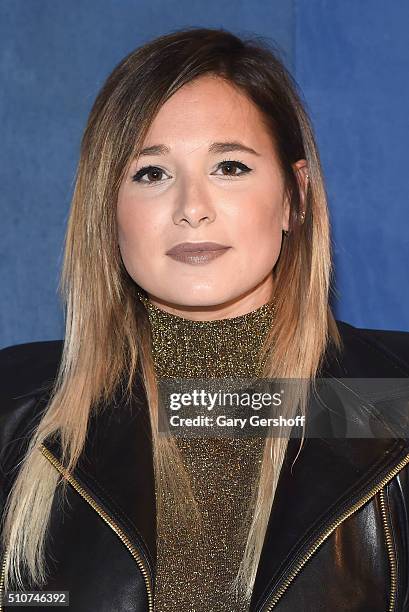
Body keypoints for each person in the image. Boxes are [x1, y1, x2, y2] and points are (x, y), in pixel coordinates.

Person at [1, 27, 409, 612]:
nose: (192, 208)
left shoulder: (391, 398)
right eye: (151, 174)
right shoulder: (16, 408)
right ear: (107, 212)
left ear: (295, 196)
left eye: (231, 167)